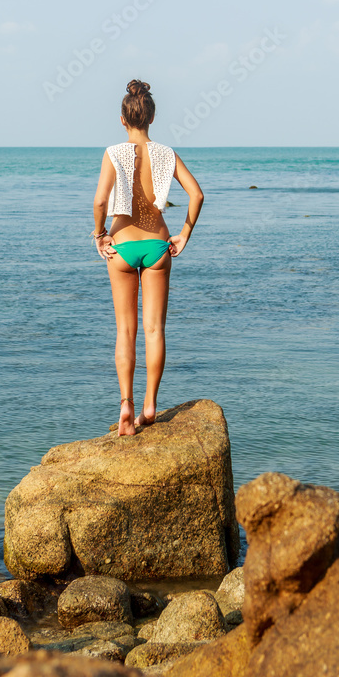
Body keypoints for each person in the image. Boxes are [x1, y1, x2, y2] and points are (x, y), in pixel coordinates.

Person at [91, 80, 204, 436]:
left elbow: (98, 202)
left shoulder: (113, 152)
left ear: (123, 119)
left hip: (121, 246)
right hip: (157, 246)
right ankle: (150, 405)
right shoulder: (167, 154)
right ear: (151, 116)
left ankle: (126, 405)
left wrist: (99, 235)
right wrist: (184, 233)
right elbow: (197, 194)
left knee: (125, 331)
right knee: (155, 330)